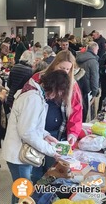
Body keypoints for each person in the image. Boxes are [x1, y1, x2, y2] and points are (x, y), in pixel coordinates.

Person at [2, 70, 69, 204]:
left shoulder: (36, 94)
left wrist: (46, 135)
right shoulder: (32, 98)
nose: (59, 96)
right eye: (60, 92)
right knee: (24, 194)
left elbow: (30, 124)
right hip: (18, 155)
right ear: (54, 87)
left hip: (21, 152)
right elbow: (27, 132)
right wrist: (51, 151)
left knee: (21, 192)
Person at [31, 50, 83, 184]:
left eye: (67, 69)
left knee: (52, 169)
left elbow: (76, 110)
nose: (64, 71)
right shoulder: (38, 78)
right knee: (35, 168)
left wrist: (73, 133)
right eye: (61, 68)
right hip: (37, 132)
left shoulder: (73, 84)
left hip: (57, 134)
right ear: (54, 65)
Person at [76, 42, 99, 121]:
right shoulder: (93, 61)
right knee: (85, 112)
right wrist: (95, 92)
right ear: (94, 49)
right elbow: (94, 77)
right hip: (87, 89)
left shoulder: (78, 58)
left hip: (76, 87)